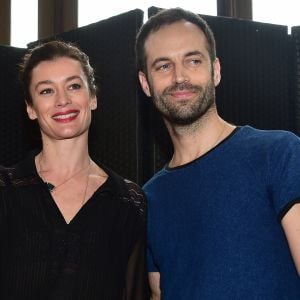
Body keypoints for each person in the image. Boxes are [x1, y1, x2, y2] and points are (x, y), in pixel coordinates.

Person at [136, 7, 300, 300]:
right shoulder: (149, 199)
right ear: (146, 83)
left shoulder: (278, 154)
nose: (179, 77)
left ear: (216, 71)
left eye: (193, 60)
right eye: (163, 66)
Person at [0, 40, 149, 299]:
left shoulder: (128, 202)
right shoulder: (5, 190)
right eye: (46, 91)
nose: (63, 100)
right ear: (31, 108)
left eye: (73, 86)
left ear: (92, 97)